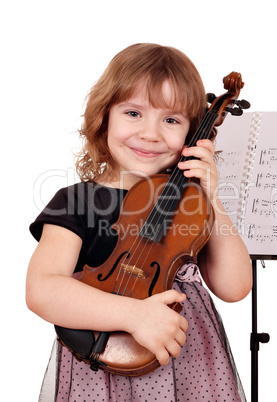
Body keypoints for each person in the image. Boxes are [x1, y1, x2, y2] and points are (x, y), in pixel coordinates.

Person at [26, 43, 252, 401]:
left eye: (171, 120)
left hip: (188, 365)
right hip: (103, 372)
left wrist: (212, 198)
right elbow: (42, 289)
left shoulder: (191, 206)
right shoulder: (77, 201)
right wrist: (135, 316)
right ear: (104, 117)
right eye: (133, 113)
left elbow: (235, 286)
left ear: (194, 135)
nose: (151, 133)